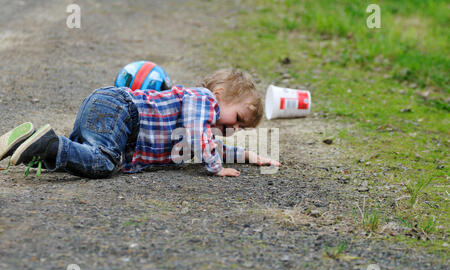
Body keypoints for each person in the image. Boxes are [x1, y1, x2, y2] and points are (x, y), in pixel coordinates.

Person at [0, 69, 280, 178]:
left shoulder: (201, 130)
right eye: (238, 119)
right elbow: (199, 137)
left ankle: (30, 142)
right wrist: (216, 169)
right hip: (122, 110)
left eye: (241, 129)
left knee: (80, 156)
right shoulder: (204, 100)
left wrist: (248, 156)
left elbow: (210, 144)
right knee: (103, 164)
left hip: (105, 106)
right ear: (220, 96)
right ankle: (49, 145)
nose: (235, 128)